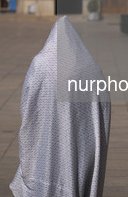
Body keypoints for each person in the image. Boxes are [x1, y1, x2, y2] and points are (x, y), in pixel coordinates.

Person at [10, 17, 110, 197]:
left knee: (49, 176)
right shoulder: (91, 67)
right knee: (76, 179)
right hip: (82, 143)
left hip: (48, 140)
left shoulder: (41, 64)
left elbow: (28, 102)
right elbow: (103, 109)